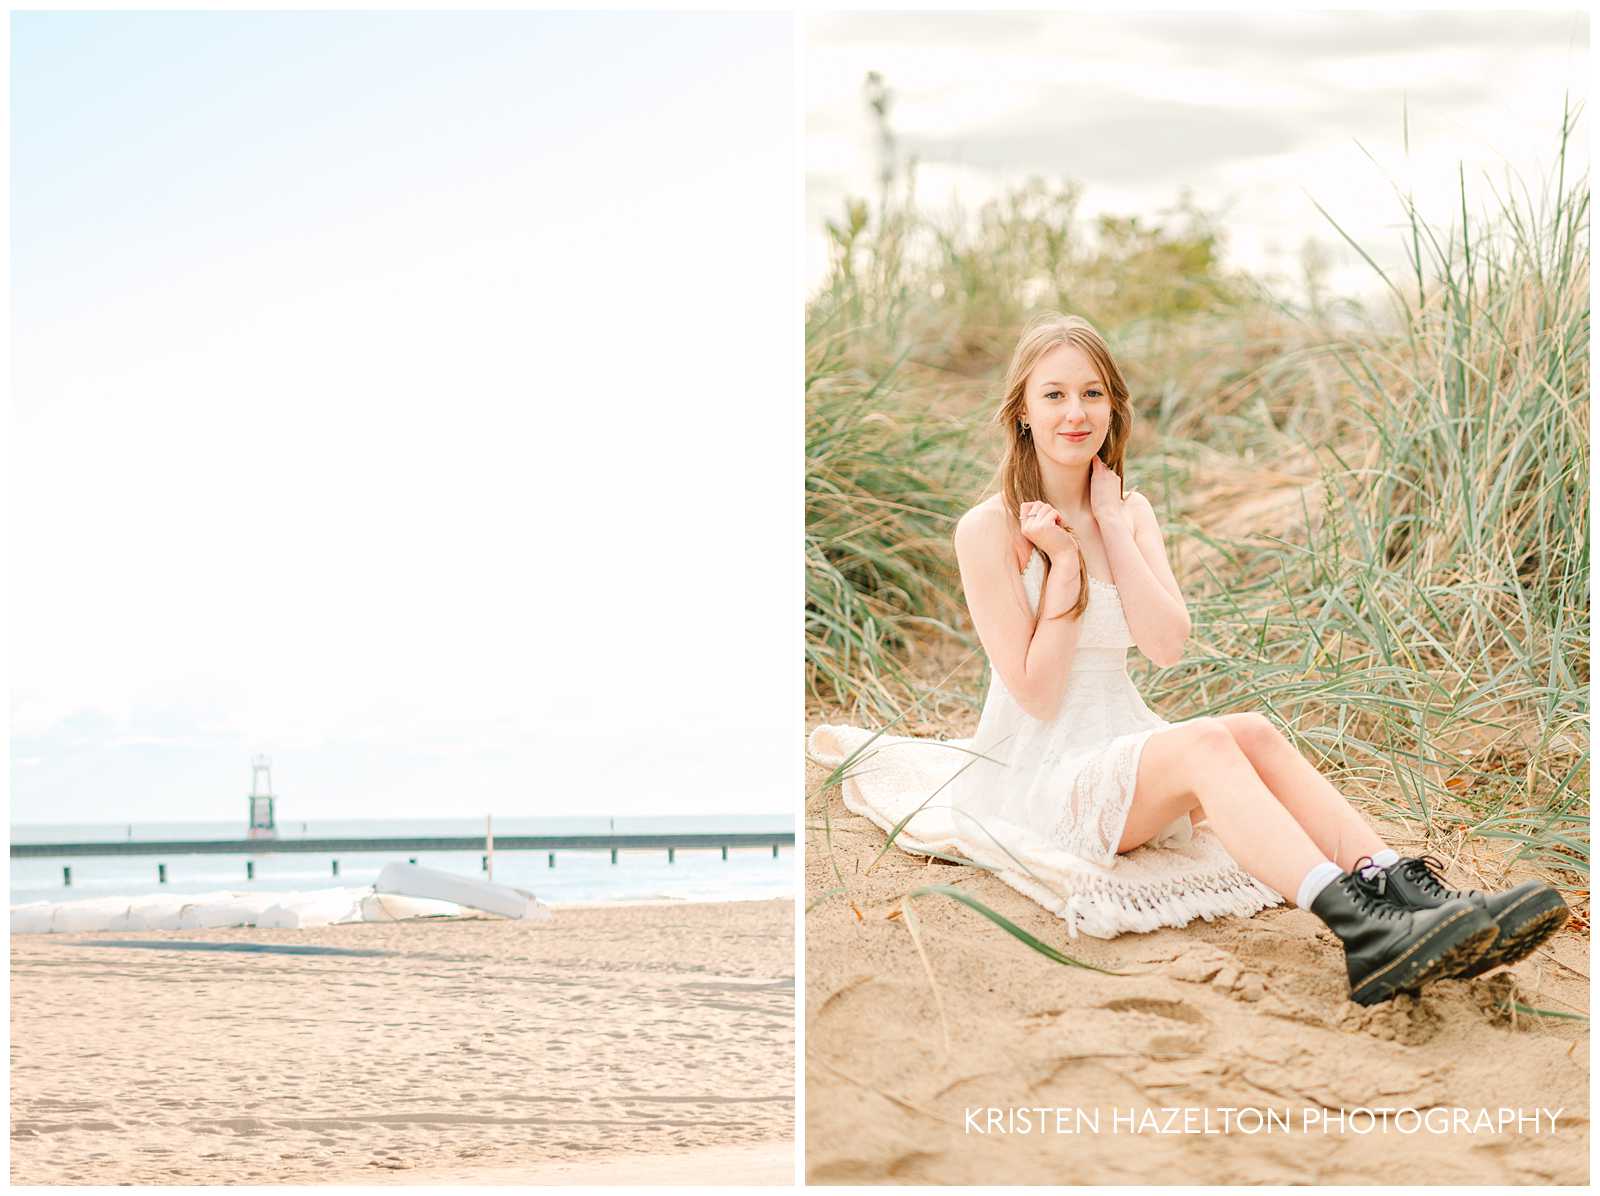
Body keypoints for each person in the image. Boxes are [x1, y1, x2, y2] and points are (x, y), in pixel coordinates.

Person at [809, 312, 1568, 1007]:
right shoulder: (988, 529)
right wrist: (1066, 573)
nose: (1076, 413)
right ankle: (1361, 932)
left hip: (1116, 738)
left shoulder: (1129, 512)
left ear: (1114, 408)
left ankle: (1415, 903)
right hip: (1038, 770)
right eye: (1054, 395)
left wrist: (1109, 524)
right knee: (1207, 742)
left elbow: (1167, 646)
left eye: (1092, 393)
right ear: (1021, 411)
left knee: (1255, 732)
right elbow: (1036, 696)